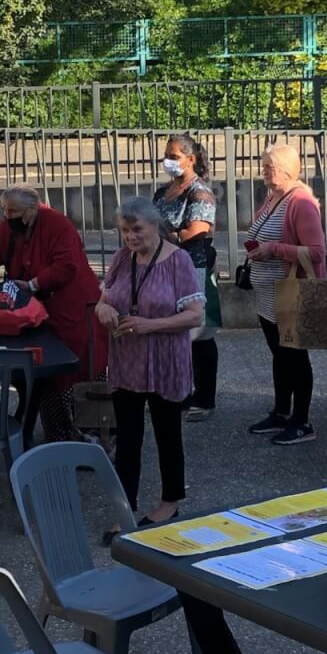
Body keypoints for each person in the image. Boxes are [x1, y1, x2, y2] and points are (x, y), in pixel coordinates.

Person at [97, 197, 205, 525]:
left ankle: (170, 502)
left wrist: (149, 325)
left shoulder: (178, 261)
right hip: (127, 361)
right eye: (125, 231)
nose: (130, 237)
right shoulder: (121, 258)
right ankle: (125, 507)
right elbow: (104, 299)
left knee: (167, 435)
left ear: (154, 226)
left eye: (137, 230)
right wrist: (104, 310)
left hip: (165, 361)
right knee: (127, 439)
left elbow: (195, 315)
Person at [0, 184, 103, 441]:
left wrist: (33, 284)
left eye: (14, 211)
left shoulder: (58, 224)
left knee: (76, 371)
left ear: (33, 208)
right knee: (43, 374)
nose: (8, 216)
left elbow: (66, 265)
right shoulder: (10, 227)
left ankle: (90, 434)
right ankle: (56, 434)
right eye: (5, 210)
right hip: (35, 312)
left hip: (71, 309)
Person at [242, 143, 326, 446]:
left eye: (270, 166)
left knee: (295, 357)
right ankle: (281, 411)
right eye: (263, 165)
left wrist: (273, 249)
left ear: (289, 169)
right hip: (269, 296)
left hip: (291, 293)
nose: (264, 170)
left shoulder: (301, 201)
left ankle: (302, 421)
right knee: (280, 356)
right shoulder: (272, 197)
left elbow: (317, 252)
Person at [151, 134, 221, 422]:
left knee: (199, 336)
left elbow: (196, 230)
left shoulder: (199, 192)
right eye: (167, 155)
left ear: (191, 159)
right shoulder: (162, 192)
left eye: (175, 155)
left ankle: (204, 397)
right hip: (161, 268)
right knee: (173, 333)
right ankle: (177, 391)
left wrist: (163, 237)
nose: (169, 161)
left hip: (194, 269)